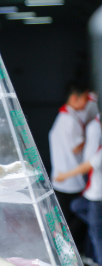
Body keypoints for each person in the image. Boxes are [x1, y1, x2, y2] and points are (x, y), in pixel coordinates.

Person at [55, 122, 102, 266]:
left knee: (97, 236)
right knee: (77, 207)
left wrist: (64, 176)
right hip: (92, 194)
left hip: (97, 196)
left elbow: (88, 165)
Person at [50, 81, 90, 252]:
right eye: (86, 99)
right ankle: (67, 251)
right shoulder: (70, 120)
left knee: (66, 219)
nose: (88, 103)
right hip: (69, 179)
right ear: (75, 98)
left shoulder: (64, 117)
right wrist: (91, 137)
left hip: (61, 176)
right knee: (77, 220)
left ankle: (65, 250)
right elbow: (76, 147)